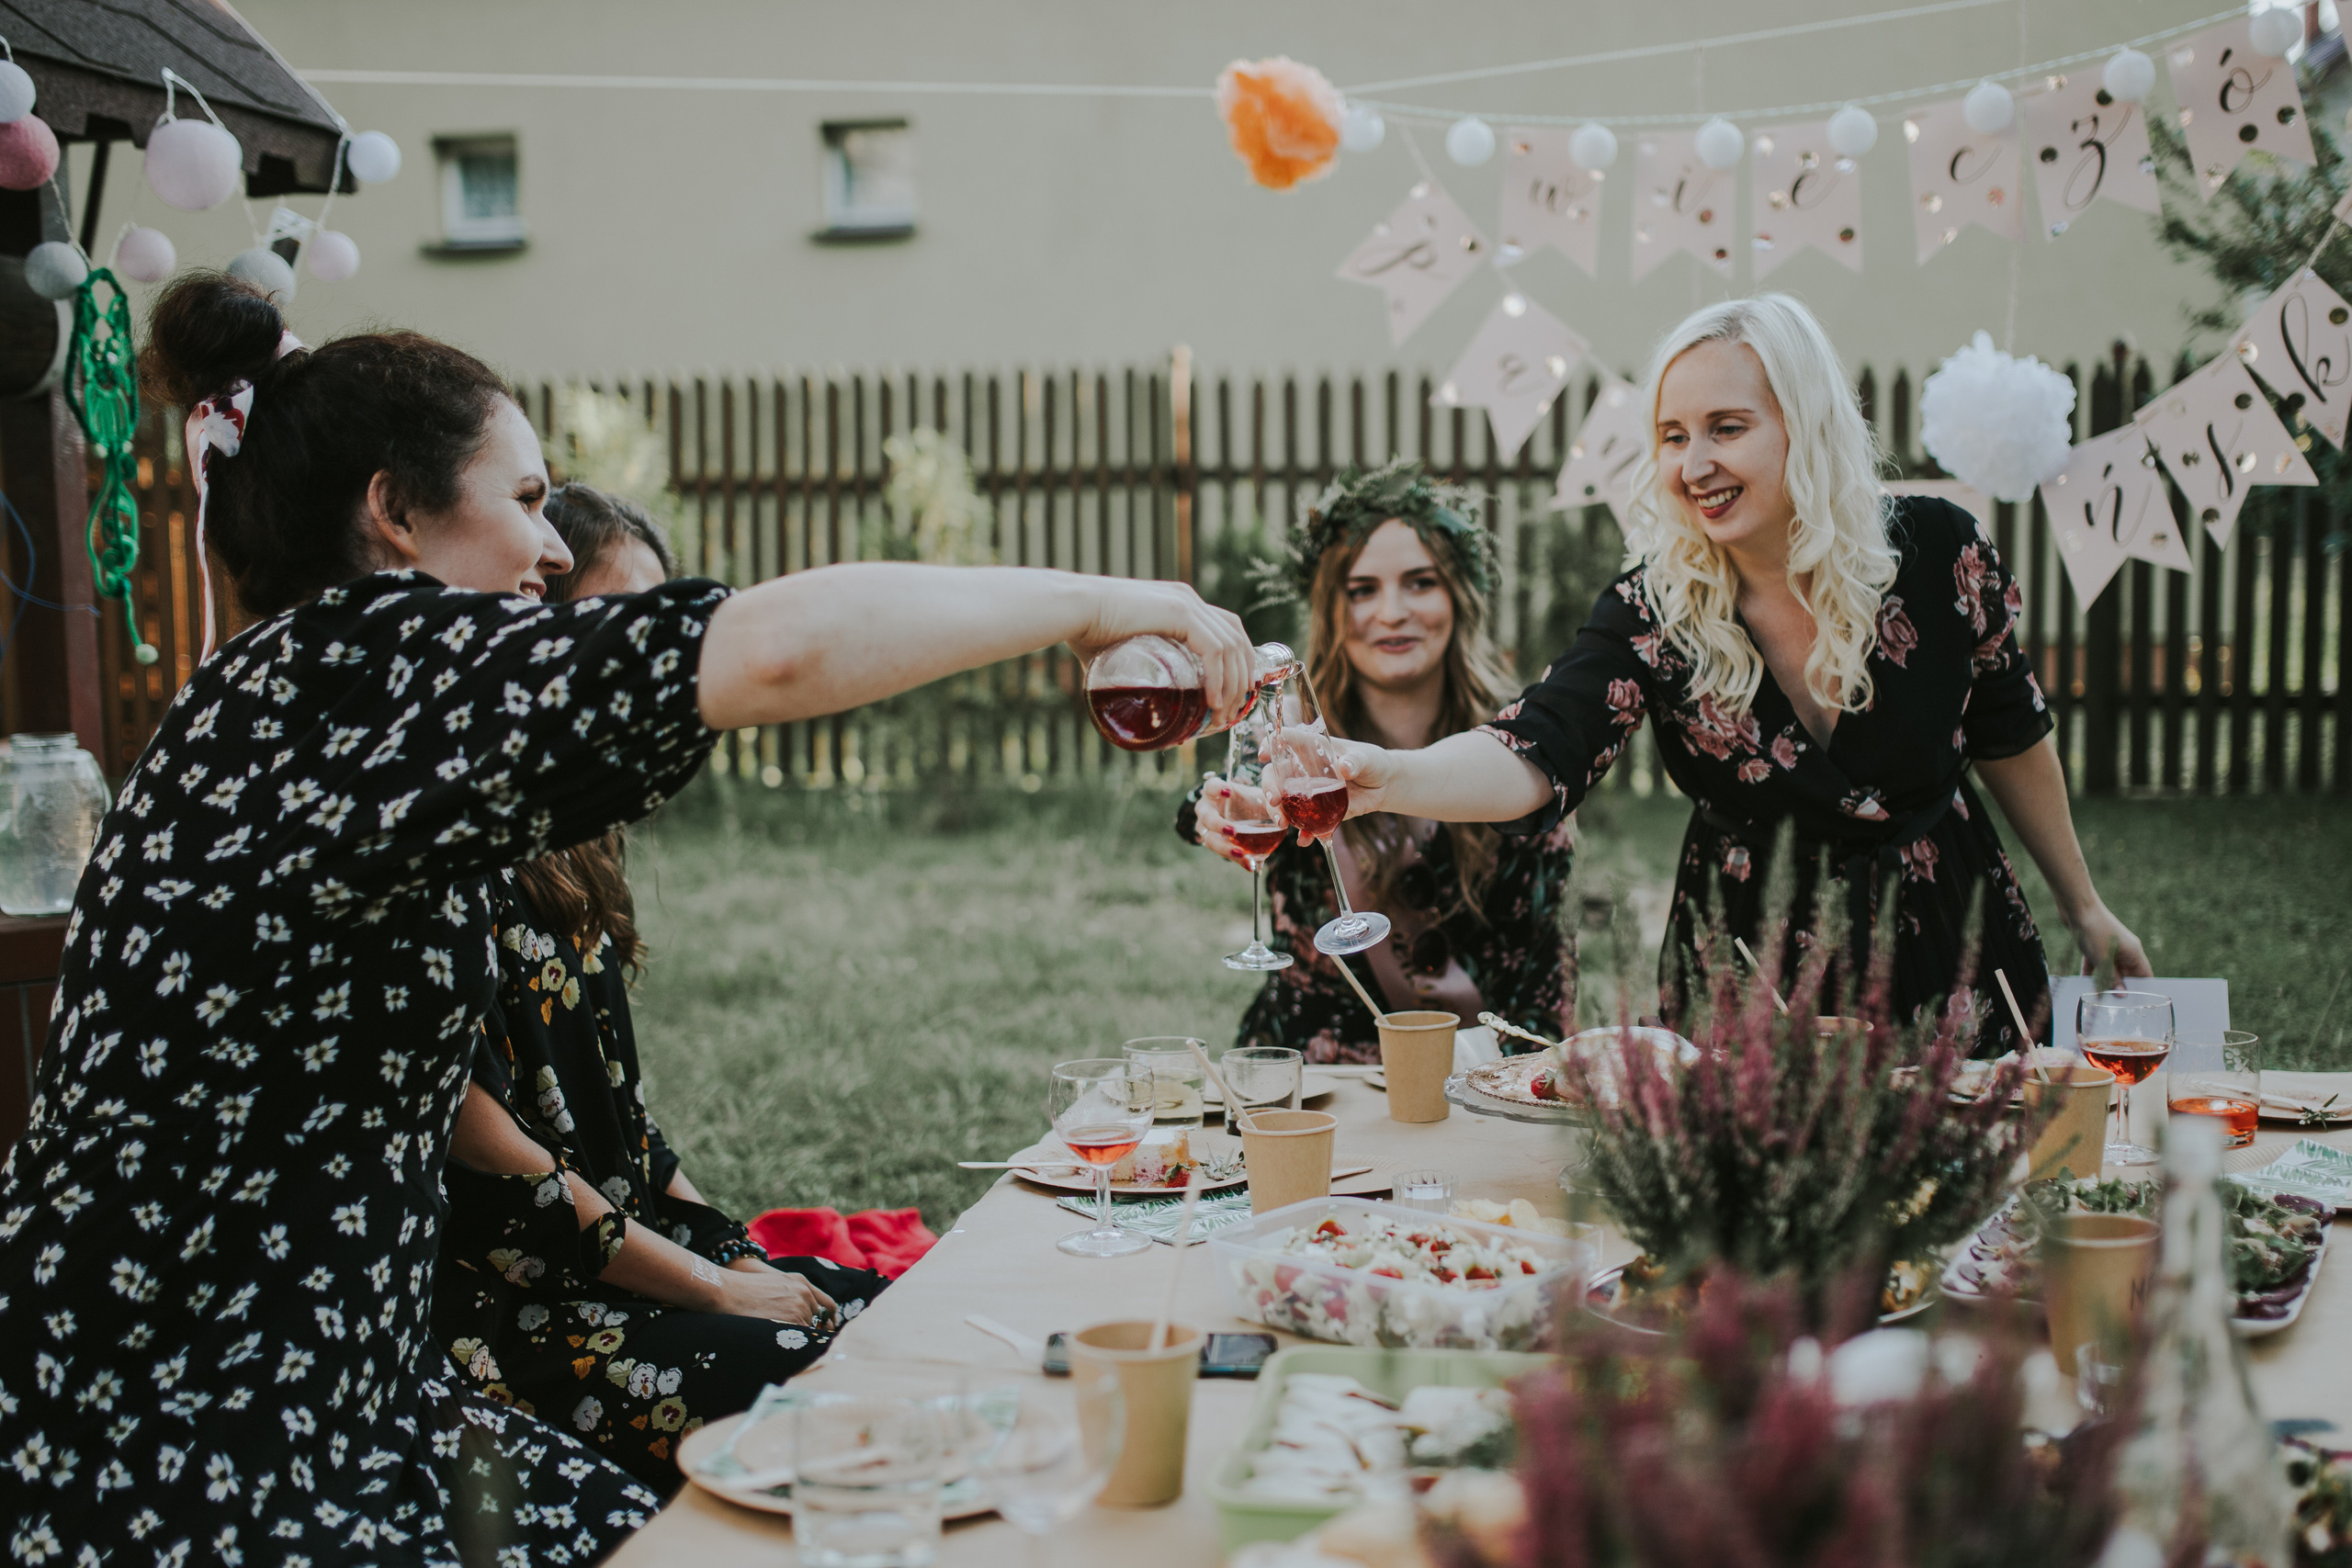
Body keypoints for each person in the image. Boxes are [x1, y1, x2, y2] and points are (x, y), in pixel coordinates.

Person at [0, 274, 1251, 1566]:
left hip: (342, 1394)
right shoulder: (345, 671)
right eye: (527, 501)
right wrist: (1108, 604)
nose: (553, 550)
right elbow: (763, 653)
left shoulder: (309, 694)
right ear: (392, 510)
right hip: (179, 1434)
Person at [1279, 296, 2148, 1051]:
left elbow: (2010, 730)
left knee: (1983, 1213)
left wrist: (2084, 905)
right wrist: (1387, 776)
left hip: (1951, 945)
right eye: (1672, 436)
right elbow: (1536, 747)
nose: (1695, 465)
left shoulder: (1941, 551)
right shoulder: (1655, 608)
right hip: (1752, 974)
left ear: (1803, 425)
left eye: (1726, 429)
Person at [433, 484, 886, 1489]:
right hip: (520, 1316)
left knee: (895, 1317)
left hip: (634, 1252)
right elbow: (510, 1175)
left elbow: (623, 1128)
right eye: (609, 623)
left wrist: (732, 1250)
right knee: (814, 1375)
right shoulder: (446, 855)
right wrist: (715, 1293)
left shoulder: (579, 833)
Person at [1182, 460, 1576, 1062]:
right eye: (1362, 589)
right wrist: (1206, 811)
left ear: (1459, 596)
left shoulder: (1518, 749)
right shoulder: (1287, 731)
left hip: (1474, 1077)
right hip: (1309, 1077)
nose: (1392, 611)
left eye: (1420, 582)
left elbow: (1546, 973)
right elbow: (1221, 797)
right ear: (1330, 609)